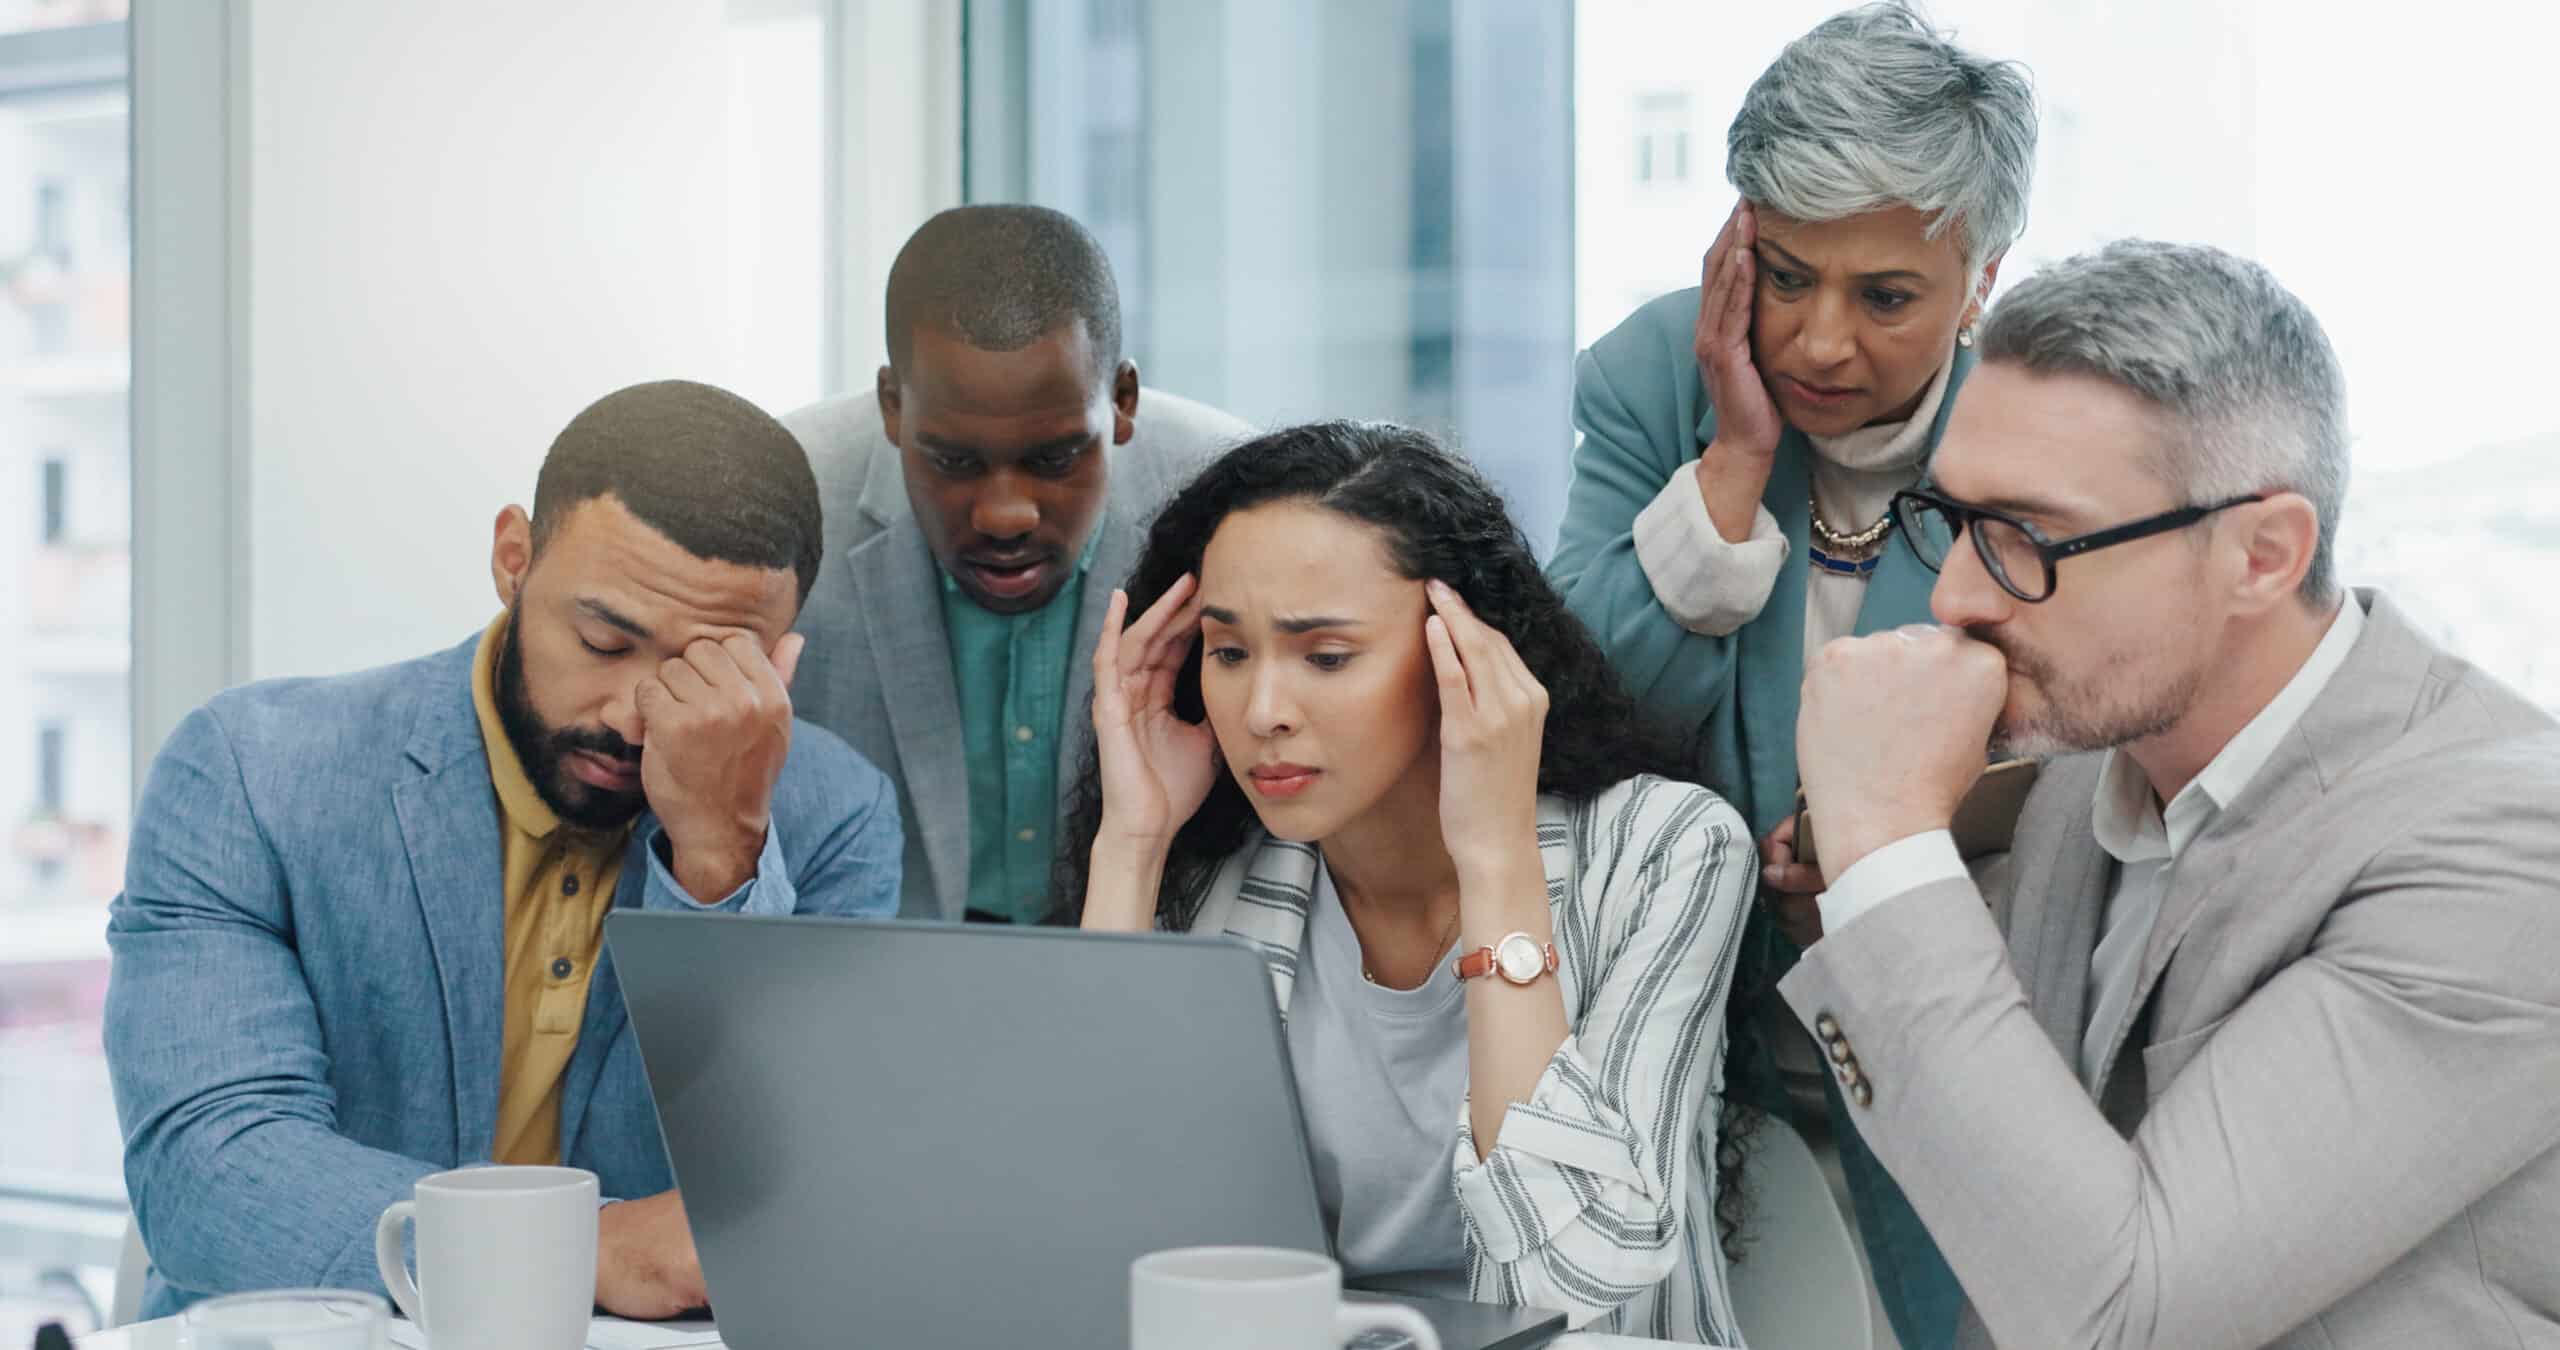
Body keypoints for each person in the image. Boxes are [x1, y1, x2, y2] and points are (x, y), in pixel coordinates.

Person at [1784, 240, 2560, 1349]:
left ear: (2263, 554)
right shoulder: (2083, 766)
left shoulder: (2507, 852)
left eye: (2025, 538)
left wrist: (1885, 845)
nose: (1954, 594)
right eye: (1952, 523)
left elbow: (2119, 1316)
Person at [104, 381, 904, 1319]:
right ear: (512, 556)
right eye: (604, 641)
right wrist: (590, 1249)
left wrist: (722, 859)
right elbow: (208, 1174)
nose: (633, 718)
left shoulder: (837, 815)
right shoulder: (251, 773)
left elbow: (781, 1198)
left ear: (779, 662)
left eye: (705, 671)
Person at [1544, 7, 2037, 1342]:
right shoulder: (1656, 380)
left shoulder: (2044, 440)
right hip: (1681, 1059)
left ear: (1983, 276)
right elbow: (1584, 722)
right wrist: (1732, 467)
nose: (1818, 343)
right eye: (1786, 275)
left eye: (1884, 296)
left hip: (1950, 1058)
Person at [1067, 422, 1756, 1341]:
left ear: (1461, 654)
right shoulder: (1212, 874)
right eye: (1229, 653)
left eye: (1325, 657)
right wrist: (1131, 847)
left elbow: (1583, 1273)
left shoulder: (1666, 851)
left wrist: (1497, 858)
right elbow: (1094, 1234)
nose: (1264, 712)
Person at [785, 204, 1250, 924]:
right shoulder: (791, 504)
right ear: (892, 406)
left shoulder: (1236, 505)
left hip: (1147, 972)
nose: (1006, 515)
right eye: (953, 460)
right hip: (865, 983)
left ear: (1123, 402)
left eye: (1056, 457)